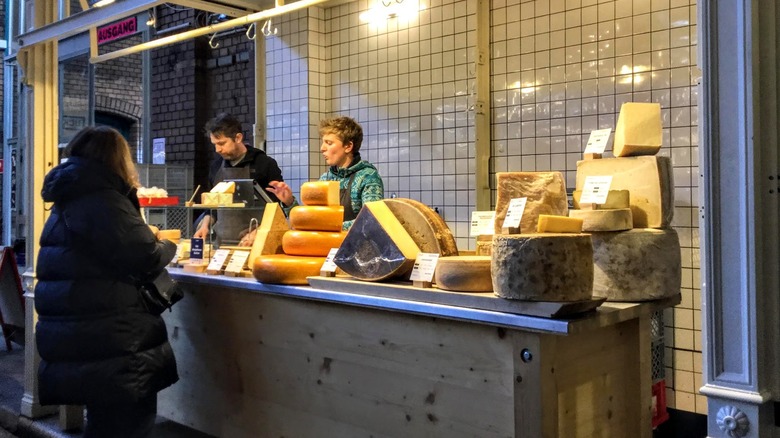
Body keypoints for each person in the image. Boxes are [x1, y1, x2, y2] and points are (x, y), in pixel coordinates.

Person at [35, 126, 179, 438]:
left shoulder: (70, 196)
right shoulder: (103, 199)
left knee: (104, 422)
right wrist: (169, 245)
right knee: (126, 424)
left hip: (87, 332)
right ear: (117, 158)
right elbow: (144, 255)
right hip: (113, 339)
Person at [267, 116, 384, 230]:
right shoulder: (325, 179)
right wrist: (289, 202)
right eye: (323, 142)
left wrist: (328, 227)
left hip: (356, 248)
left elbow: (370, 221)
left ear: (348, 146)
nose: (322, 148)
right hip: (326, 247)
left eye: (329, 143)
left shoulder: (368, 177)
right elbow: (311, 220)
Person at [193, 113, 284, 246]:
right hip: (221, 243)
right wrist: (204, 225)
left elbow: (276, 209)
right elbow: (213, 207)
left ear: (238, 138)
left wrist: (258, 232)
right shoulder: (216, 166)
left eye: (222, 143)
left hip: (255, 241)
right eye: (214, 144)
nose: (217, 149)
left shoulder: (264, 164)